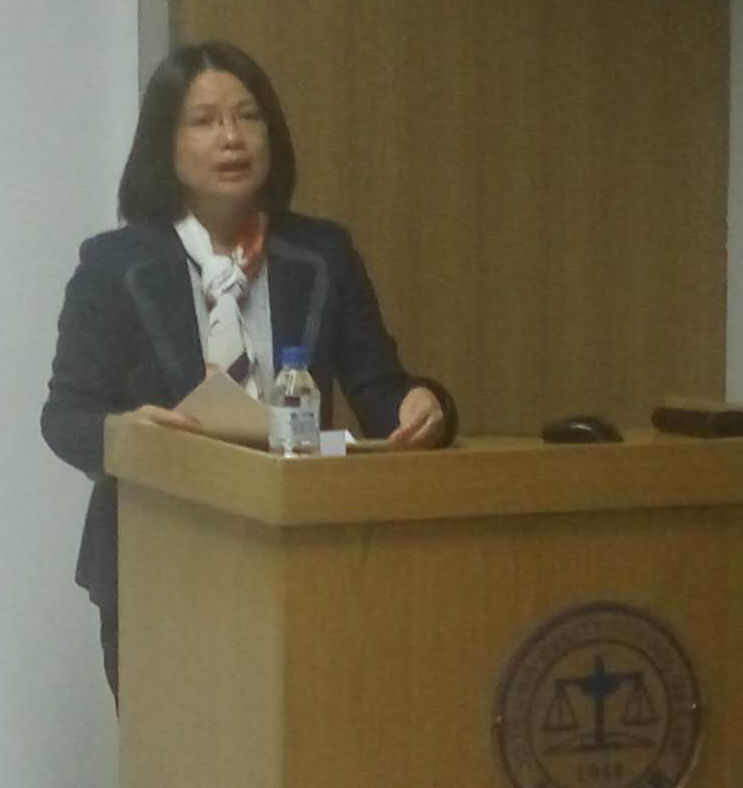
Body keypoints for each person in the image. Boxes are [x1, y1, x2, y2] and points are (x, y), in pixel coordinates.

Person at [41, 41, 457, 705]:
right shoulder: (114, 264)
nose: (231, 137)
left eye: (248, 116)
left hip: (304, 550)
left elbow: (381, 390)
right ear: (165, 143)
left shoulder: (322, 253)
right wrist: (127, 433)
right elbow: (65, 417)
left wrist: (424, 404)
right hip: (157, 556)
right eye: (205, 121)